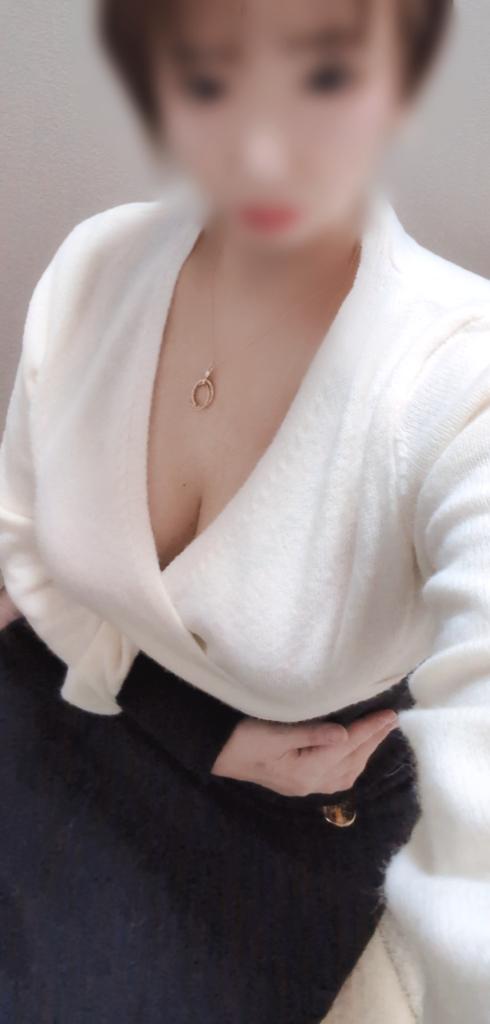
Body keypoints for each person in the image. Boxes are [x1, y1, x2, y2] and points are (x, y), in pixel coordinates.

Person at [0, 0, 489, 1021]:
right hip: (62, 698)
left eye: (323, 72)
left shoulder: (456, 379)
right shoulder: (91, 270)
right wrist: (194, 728)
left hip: (275, 814)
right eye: (212, 72)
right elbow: (27, 557)